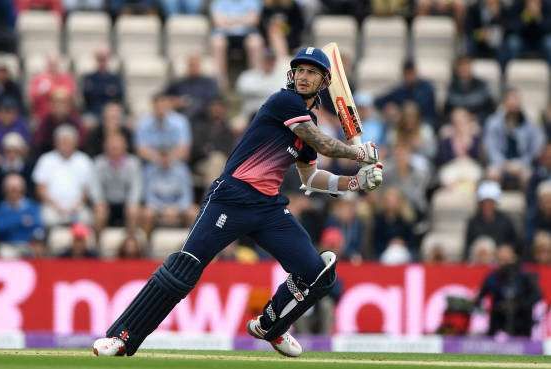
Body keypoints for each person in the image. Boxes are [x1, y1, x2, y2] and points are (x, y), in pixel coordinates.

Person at [92, 47, 383, 357]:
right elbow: (324, 142)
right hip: (231, 197)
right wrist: (358, 153)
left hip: (268, 208)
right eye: (299, 70)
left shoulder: (307, 122)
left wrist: (355, 182)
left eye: (311, 72)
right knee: (184, 268)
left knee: (316, 272)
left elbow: (310, 178)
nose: (302, 76)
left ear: (325, 80)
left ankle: (271, 325)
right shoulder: (284, 102)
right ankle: (122, 336)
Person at [474, 244, 542, 337]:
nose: (503, 264)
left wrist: (519, 305)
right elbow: (480, 297)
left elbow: (537, 295)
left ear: (513, 258)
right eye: (500, 260)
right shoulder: (492, 277)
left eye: (506, 260)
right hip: (498, 319)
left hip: (521, 319)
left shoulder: (525, 275)